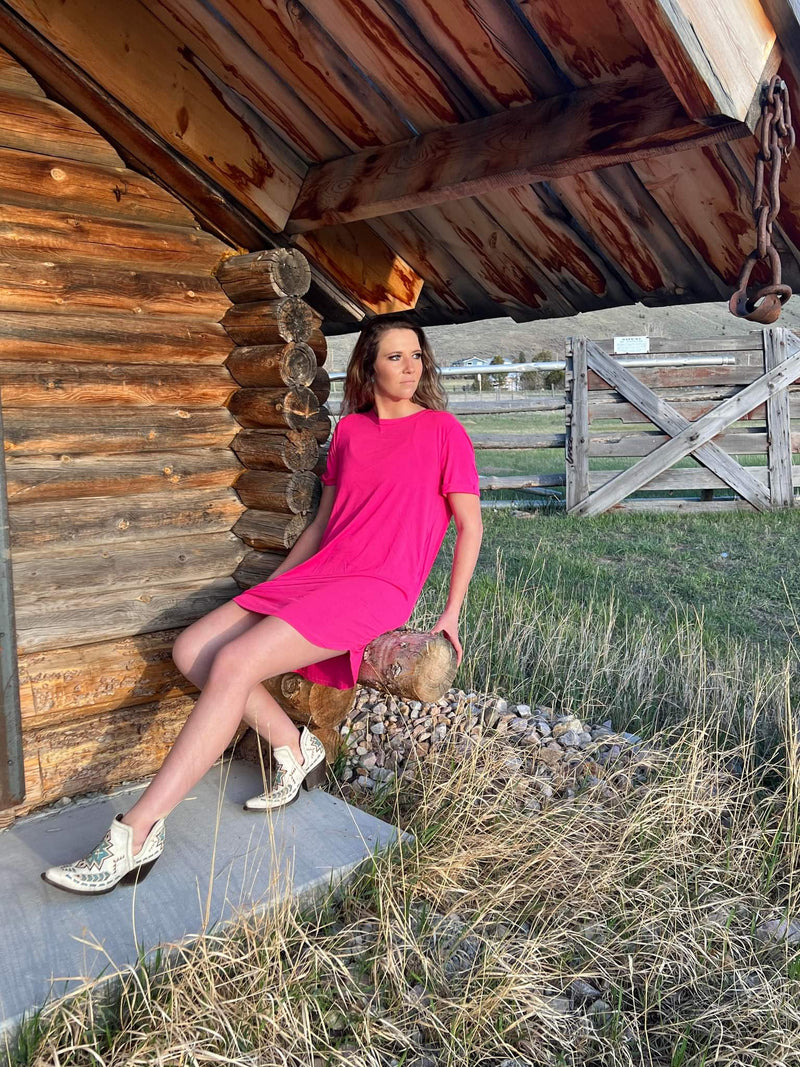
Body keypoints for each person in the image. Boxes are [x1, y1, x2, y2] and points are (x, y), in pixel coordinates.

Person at [41, 313, 484, 895]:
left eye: (416, 356)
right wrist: (272, 584)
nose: (410, 367)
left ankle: (135, 833)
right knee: (192, 647)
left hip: (377, 586)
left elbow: (470, 527)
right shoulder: (349, 432)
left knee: (233, 663)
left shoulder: (442, 431)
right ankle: (290, 746)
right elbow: (324, 525)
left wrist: (450, 614)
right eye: (395, 357)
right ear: (369, 367)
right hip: (320, 572)